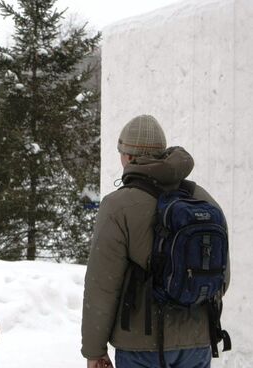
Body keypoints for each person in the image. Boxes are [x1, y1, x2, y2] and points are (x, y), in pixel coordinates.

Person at [81, 115, 229, 368]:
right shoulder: (203, 199)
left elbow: (102, 286)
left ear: (128, 156)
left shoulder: (118, 206)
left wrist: (94, 350)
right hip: (197, 343)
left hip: (141, 346)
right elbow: (221, 278)